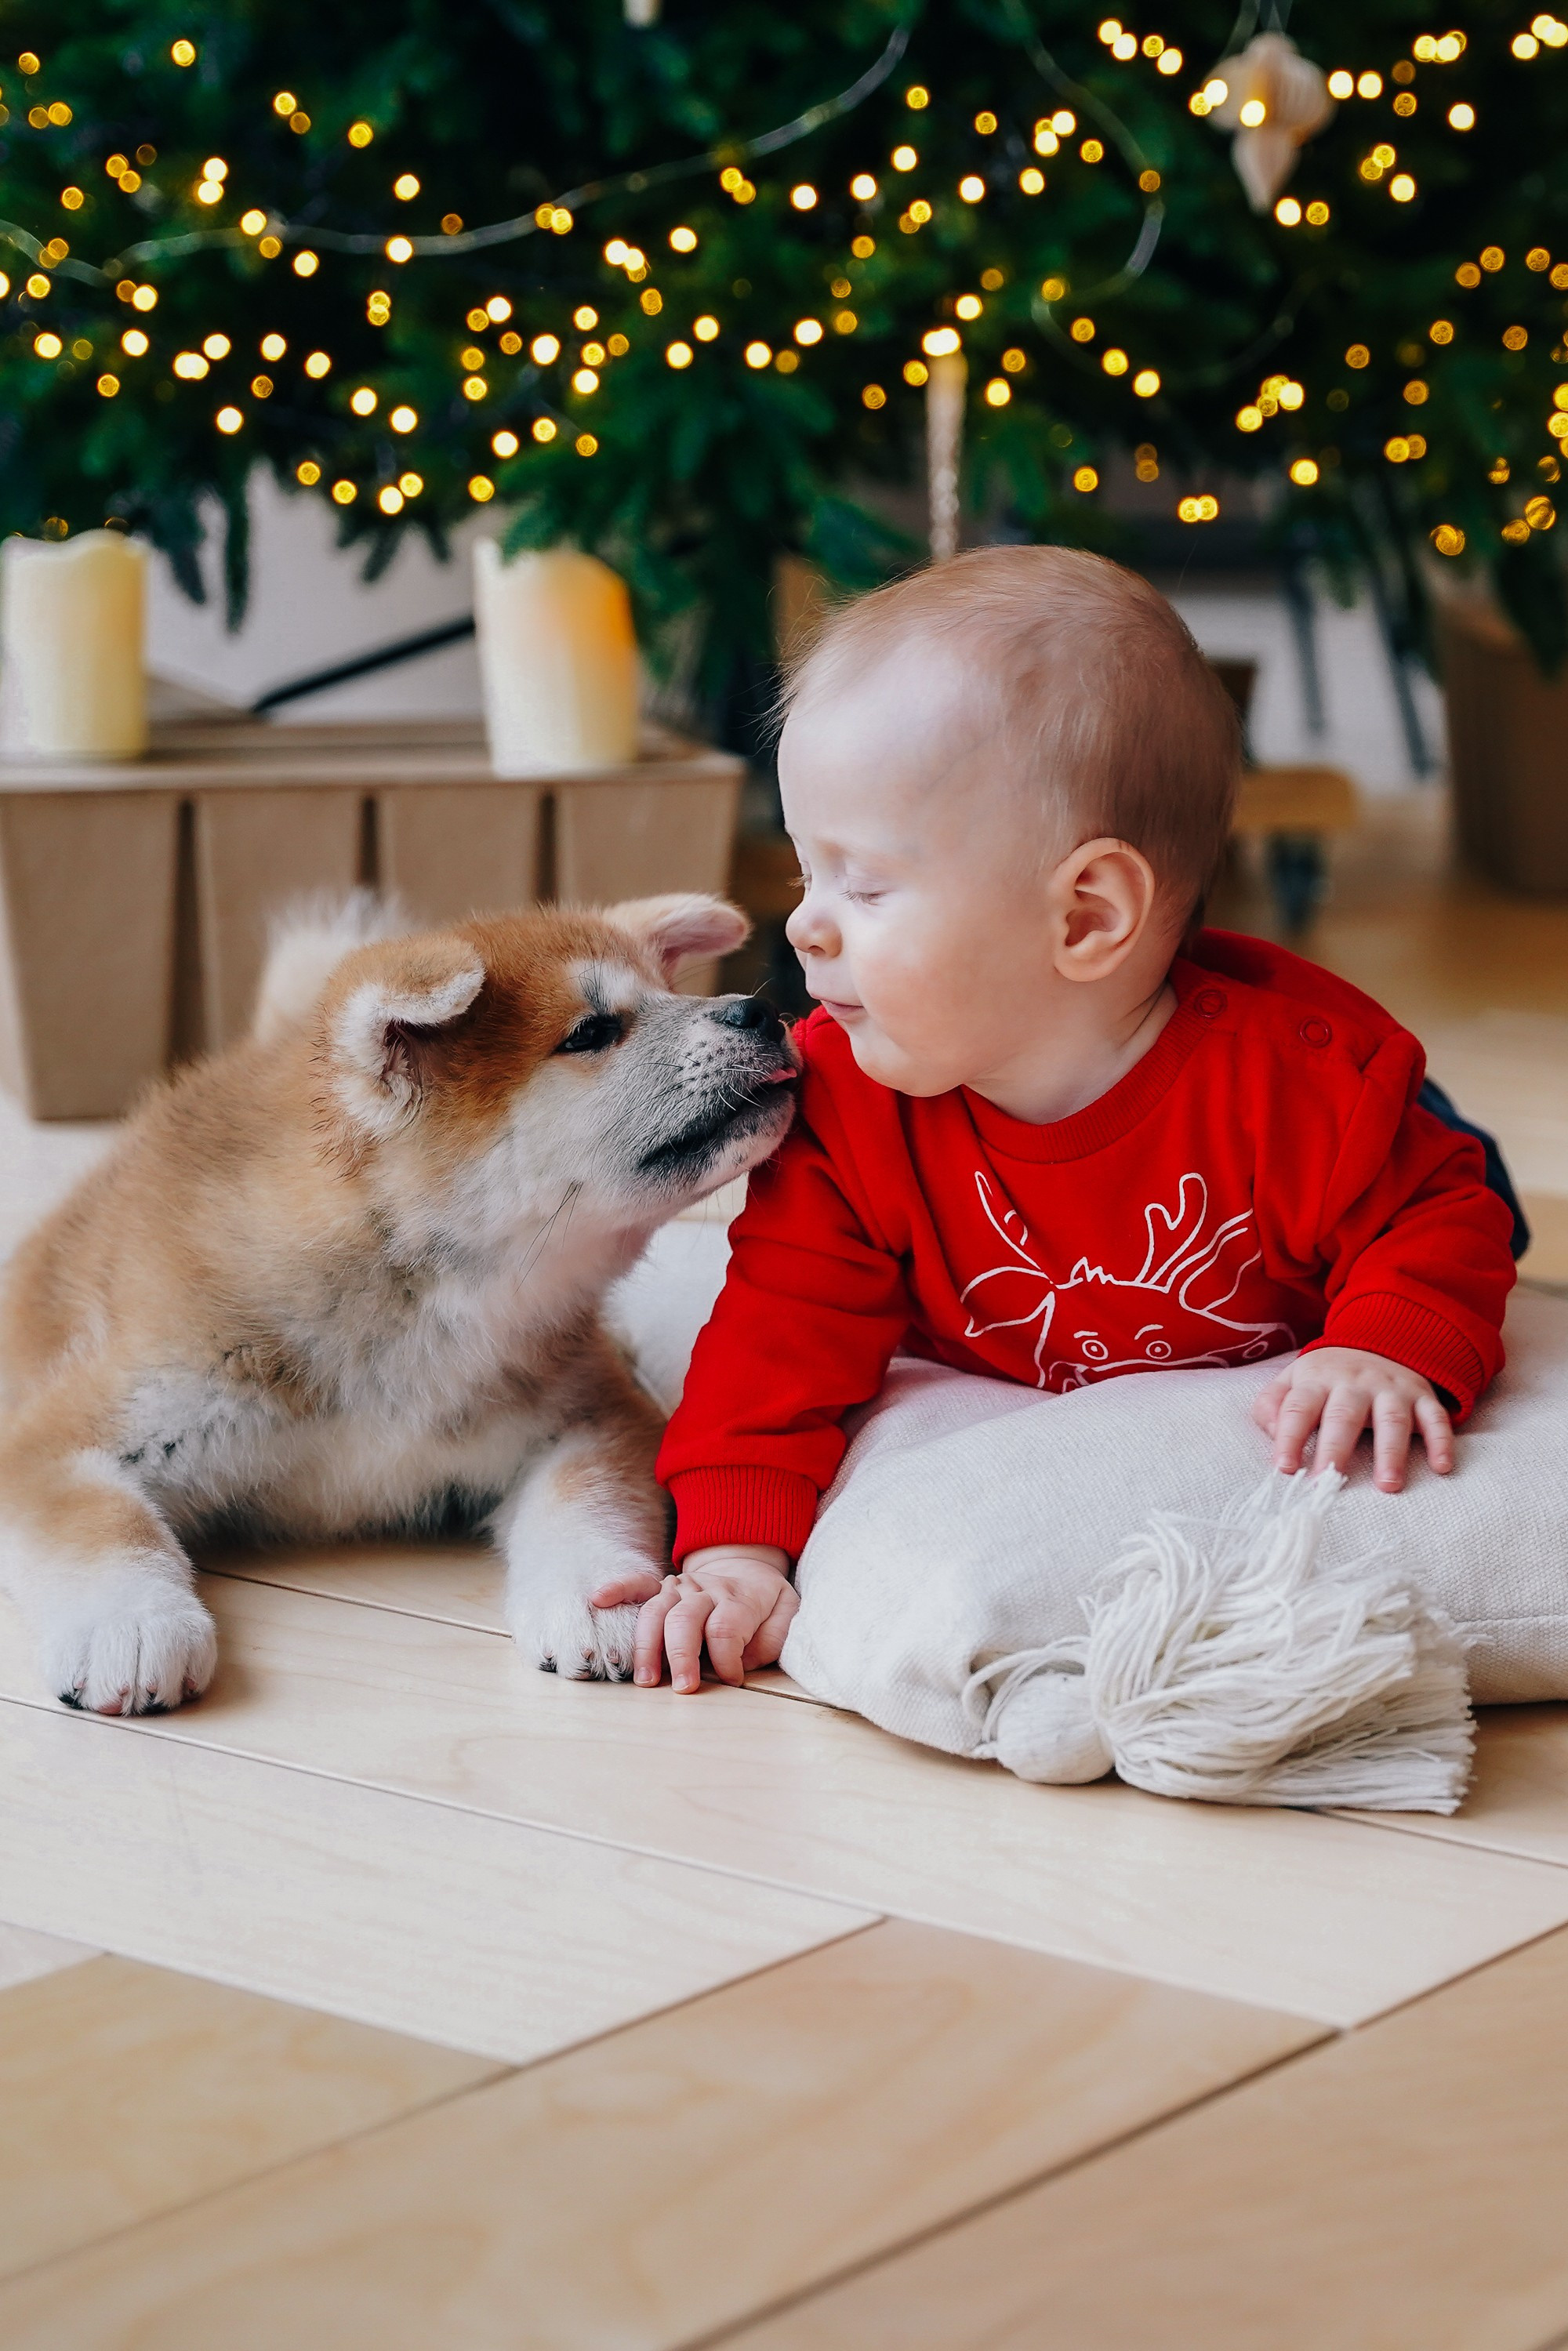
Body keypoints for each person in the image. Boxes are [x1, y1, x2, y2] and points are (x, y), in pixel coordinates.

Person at [593, 546, 1518, 1693]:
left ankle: (1445, 1122)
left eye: (865, 886)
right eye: (804, 879)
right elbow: (777, 1337)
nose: (808, 933)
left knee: (1460, 1174)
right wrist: (734, 1544)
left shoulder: (1299, 1091)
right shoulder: (847, 1104)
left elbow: (1442, 1218)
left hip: (1345, 1111)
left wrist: (1385, 1345)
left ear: (1086, 916)